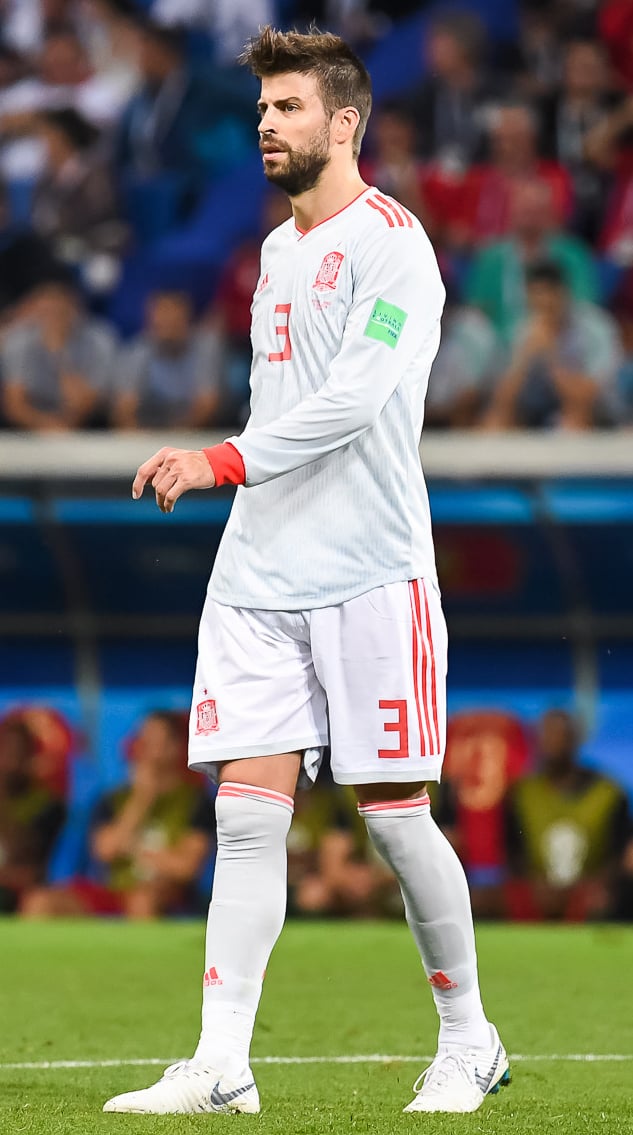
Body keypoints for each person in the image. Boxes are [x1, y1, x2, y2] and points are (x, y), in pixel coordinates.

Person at [103, 26, 508, 1118]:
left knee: (391, 813)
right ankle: (223, 1059)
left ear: (346, 123)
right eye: (264, 108)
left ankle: (470, 1038)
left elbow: (356, 402)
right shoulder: (275, 254)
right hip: (257, 575)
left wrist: (222, 458)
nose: (268, 125)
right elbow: (283, 405)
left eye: (288, 108)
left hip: (372, 569)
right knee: (244, 815)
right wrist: (243, 469)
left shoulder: (395, 248)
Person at [22, 710, 215, 919]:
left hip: (167, 896)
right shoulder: (113, 799)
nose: (146, 749)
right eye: (143, 739)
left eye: (155, 741)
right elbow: (105, 851)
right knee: (40, 901)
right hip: (115, 891)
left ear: (176, 747)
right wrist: (142, 798)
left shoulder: (195, 802)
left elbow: (185, 868)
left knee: (142, 901)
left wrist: (133, 849)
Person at [505, 709, 633, 921]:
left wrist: (598, 885)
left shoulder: (608, 793)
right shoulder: (522, 794)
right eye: (546, 736)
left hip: (593, 892)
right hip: (537, 891)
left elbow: (620, 854)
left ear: (574, 740)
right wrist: (535, 885)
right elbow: (512, 853)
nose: (552, 743)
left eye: (559, 736)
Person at [482, 259, 621, 430]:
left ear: (563, 293)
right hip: (536, 412)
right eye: (536, 299)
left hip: (598, 415)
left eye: (548, 299)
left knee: (573, 418)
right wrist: (523, 359)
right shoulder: (523, 329)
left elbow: (586, 398)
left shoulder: (596, 328)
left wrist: (551, 358)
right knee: (495, 421)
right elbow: (501, 401)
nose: (543, 307)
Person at [466, 177, 598, 347]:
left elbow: (582, 304)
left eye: (537, 210)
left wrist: (546, 328)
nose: (530, 217)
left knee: (593, 324)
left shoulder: (573, 255)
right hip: (500, 343)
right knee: (470, 328)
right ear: (512, 211)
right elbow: (478, 308)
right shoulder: (491, 257)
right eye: (525, 210)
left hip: (561, 340)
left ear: (550, 213)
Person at [1, 275, 117, 431]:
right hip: (31, 429)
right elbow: (15, 404)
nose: (53, 313)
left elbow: (83, 404)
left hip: (85, 428)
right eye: (47, 306)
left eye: (59, 305)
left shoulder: (99, 340)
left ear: (74, 306)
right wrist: (47, 425)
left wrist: (59, 353)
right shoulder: (19, 340)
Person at [112, 290, 223, 429]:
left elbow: (207, 405)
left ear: (186, 318)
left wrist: (177, 440)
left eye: (172, 317)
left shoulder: (205, 348)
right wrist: (138, 441)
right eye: (160, 316)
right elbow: (124, 409)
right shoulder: (138, 350)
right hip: (148, 432)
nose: (166, 322)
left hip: (194, 434)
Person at [0, 716, 66, 913]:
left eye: (18, 751)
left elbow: (28, 865)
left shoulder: (48, 805)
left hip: (17, 891)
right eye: (4, 750)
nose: (11, 758)